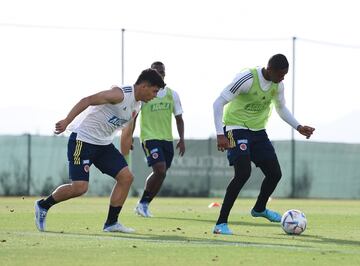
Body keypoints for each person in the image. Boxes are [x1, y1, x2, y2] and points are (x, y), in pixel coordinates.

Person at [34, 68, 165, 233]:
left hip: (104, 145)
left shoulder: (138, 105)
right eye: (154, 91)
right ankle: (43, 205)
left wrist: (127, 142)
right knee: (80, 188)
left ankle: (111, 223)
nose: (154, 96)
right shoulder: (120, 94)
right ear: (145, 86)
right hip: (83, 140)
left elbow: (127, 129)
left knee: (126, 177)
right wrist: (67, 120)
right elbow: (87, 100)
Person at [212, 54, 315, 235]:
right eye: (281, 74)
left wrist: (298, 127)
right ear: (270, 69)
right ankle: (220, 223)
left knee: (275, 173)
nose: (283, 78)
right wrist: (221, 134)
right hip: (235, 128)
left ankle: (259, 208)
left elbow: (281, 108)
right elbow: (218, 103)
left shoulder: (278, 85)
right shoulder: (247, 79)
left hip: (258, 132)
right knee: (243, 173)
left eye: (285, 75)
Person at [122, 61, 185, 217]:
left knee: (161, 173)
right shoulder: (145, 95)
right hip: (149, 137)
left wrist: (181, 139)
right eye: (155, 71)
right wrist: (129, 137)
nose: (159, 74)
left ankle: (144, 204)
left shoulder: (172, 94)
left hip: (166, 139)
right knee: (160, 169)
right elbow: (134, 117)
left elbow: (179, 118)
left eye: (161, 71)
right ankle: (143, 204)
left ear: (164, 74)